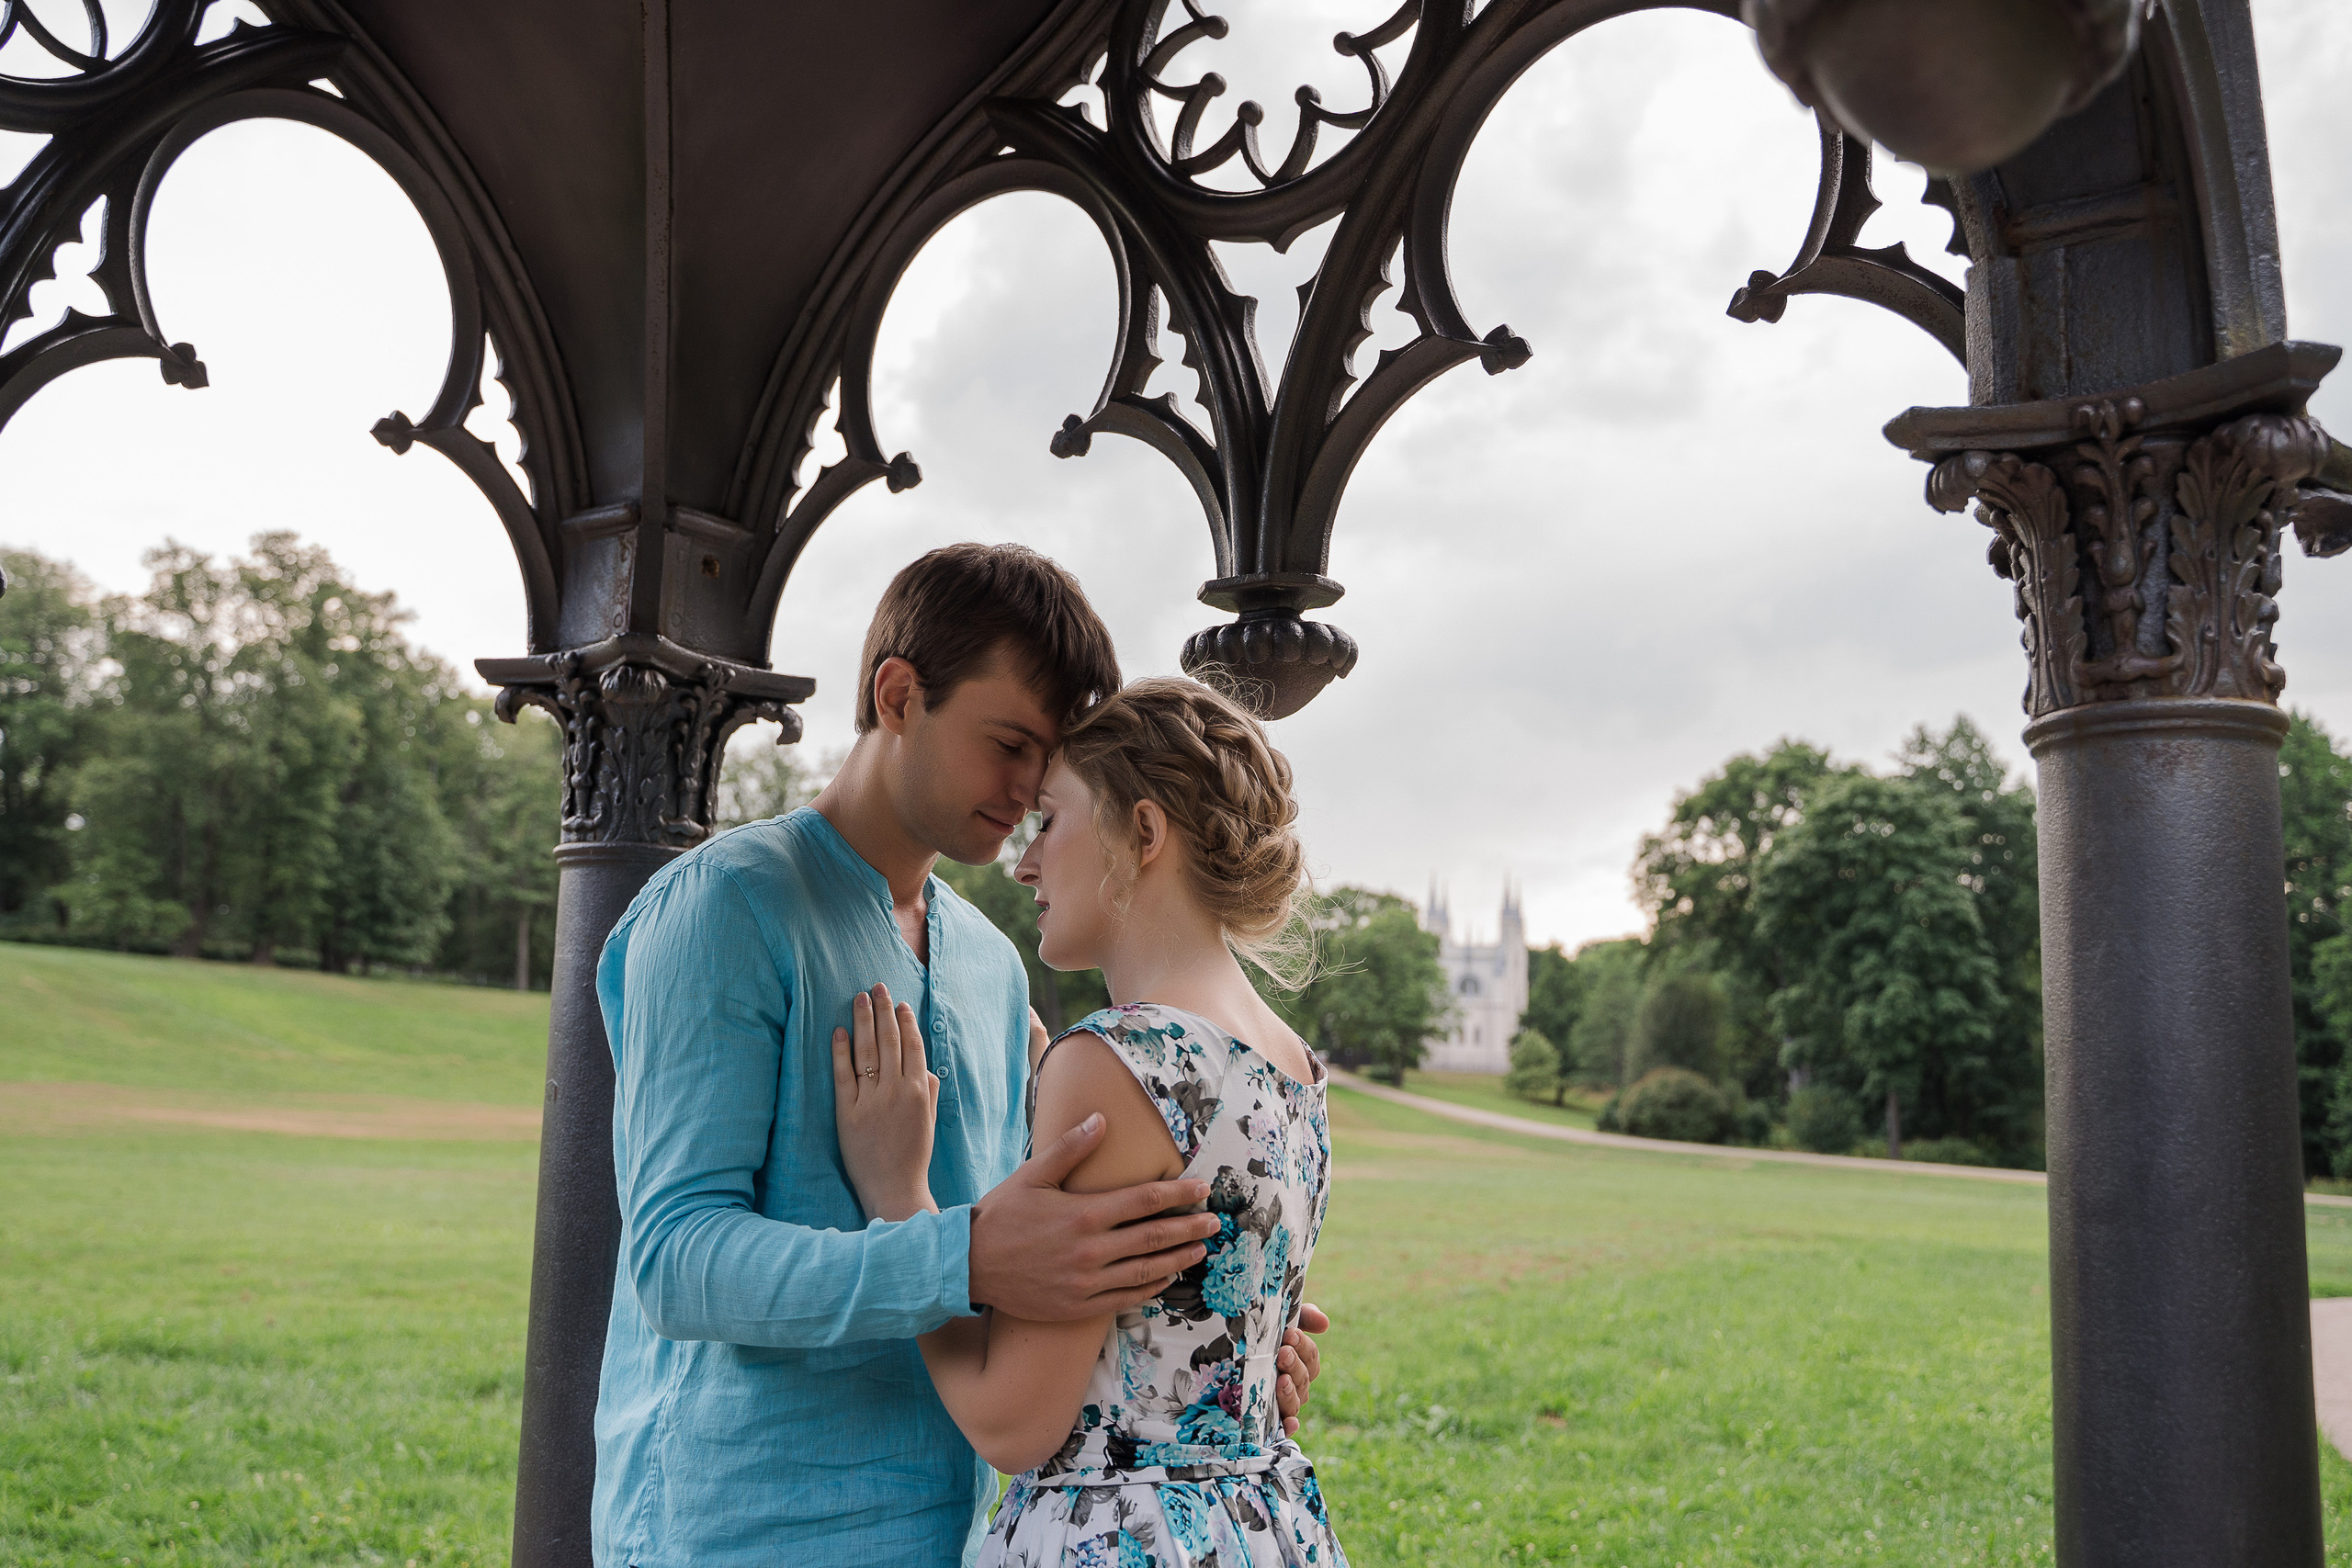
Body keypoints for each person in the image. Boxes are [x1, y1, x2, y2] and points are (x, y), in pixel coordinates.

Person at [591, 547, 1328, 1568]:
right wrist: (961, 1253)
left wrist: (1198, 1334)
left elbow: (1058, 1251)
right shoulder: (726, 907)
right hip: (742, 1527)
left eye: (1052, 761)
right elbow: (673, 1263)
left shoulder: (991, 964)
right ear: (899, 695)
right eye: (1009, 743)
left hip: (961, 1523)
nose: (1030, 790)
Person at [834, 676, 1348, 1567]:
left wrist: (895, 1189)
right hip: (1264, 1529)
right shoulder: (1293, 1065)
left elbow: (1012, 1422)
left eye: (1049, 819)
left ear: (1142, 833)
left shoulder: (1113, 1060)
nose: (1024, 863)